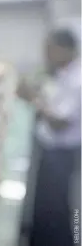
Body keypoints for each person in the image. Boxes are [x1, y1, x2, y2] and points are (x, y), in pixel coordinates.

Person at [18, 29, 81, 246]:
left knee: (57, 208)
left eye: (50, 50)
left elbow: (60, 123)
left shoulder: (77, 80)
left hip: (62, 154)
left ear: (65, 50)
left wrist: (34, 100)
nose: (46, 55)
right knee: (44, 206)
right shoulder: (61, 74)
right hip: (50, 150)